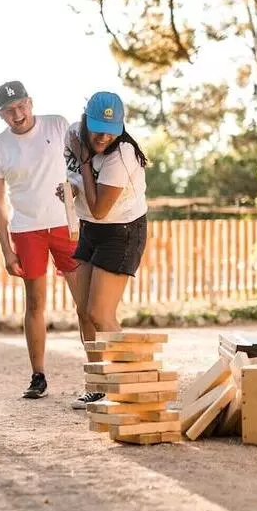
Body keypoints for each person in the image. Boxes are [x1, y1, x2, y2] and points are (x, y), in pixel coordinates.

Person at [0, 81, 83, 400]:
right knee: (35, 303)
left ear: (30, 101)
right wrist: (6, 250)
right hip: (26, 230)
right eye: (10, 110)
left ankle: (99, 371)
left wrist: (82, 198)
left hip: (66, 225)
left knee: (85, 302)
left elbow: (80, 167)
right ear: (1, 114)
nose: (18, 114)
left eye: (22, 106)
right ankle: (38, 375)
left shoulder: (57, 124)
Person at [60, 91, 149, 409]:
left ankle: (135, 381)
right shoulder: (72, 134)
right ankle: (98, 385)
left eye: (110, 129)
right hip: (90, 228)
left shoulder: (122, 155)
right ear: (85, 120)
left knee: (100, 313)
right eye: (97, 127)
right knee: (83, 311)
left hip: (121, 231)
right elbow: (75, 181)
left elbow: (100, 208)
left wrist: (84, 164)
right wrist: (70, 189)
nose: (102, 136)